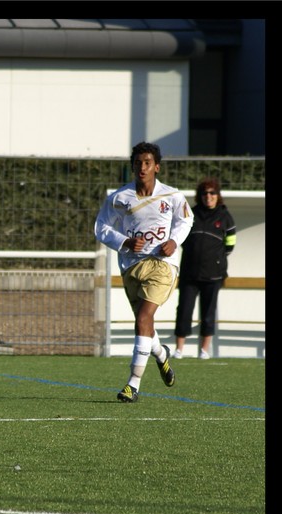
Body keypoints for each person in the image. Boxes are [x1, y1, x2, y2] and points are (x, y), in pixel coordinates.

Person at [95, 141, 193, 403]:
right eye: (138, 163)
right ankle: (161, 354)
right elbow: (101, 228)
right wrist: (125, 242)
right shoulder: (119, 198)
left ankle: (133, 385)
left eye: (147, 163)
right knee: (144, 323)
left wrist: (174, 240)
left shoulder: (172, 197)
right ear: (132, 167)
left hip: (162, 266)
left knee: (144, 317)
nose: (142, 167)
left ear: (156, 167)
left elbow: (186, 219)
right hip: (131, 266)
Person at [173, 178, 236, 360]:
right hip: (189, 274)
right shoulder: (191, 214)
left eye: (212, 193)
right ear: (200, 196)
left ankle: (204, 350)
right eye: (205, 193)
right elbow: (182, 239)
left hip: (214, 274)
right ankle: (179, 350)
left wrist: (216, 259)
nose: (208, 196)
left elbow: (230, 245)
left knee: (208, 312)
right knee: (184, 310)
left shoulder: (225, 216)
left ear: (218, 196)